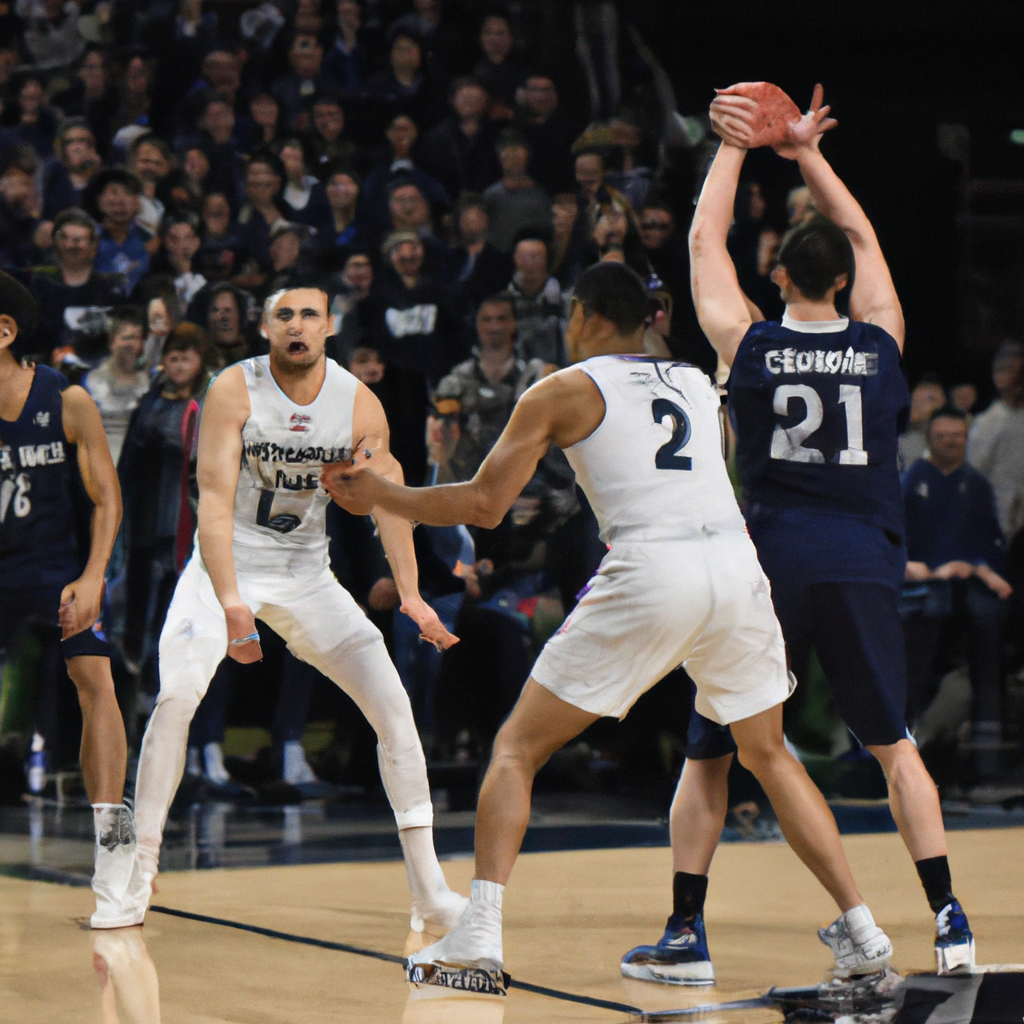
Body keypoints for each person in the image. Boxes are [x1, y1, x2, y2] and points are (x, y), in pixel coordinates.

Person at [323, 261, 893, 989]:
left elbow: (484, 506)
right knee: (770, 756)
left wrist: (381, 495)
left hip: (655, 568)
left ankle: (480, 935)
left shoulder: (561, 390)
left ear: (586, 314)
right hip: (738, 569)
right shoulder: (690, 378)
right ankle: (863, 932)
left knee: (516, 749)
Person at [637, 84, 974, 982]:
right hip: (864, 559)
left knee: (714, 745)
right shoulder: (882, 342)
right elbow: (863, 239)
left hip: (769, 563)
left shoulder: (745, 341)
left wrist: (738, 146)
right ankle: (949, 919)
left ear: (780, 275)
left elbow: (705, 243)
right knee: (895, 746)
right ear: (844, 280)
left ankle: (685, 932)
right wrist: (808, 154)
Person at [113, 284, 467, 942]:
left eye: (309, 314)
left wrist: (411, 592)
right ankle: (139, 874)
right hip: (226, 565)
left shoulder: (358, 401)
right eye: (284, 315)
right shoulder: (232, 389)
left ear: (329, 326)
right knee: (178, 695)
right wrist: (230, 603)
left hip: (308, 573)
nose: (297, 325)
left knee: (393, 708)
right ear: (265, 327)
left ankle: (430, 891)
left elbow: (388, 500)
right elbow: (213, 505)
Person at [0, 271, 132, 928]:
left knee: (95, 676)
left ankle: (113, 846)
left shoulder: (66, 400)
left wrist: (93, 574)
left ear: (5, 332)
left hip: (55, 571)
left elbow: (108, 500)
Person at [902, 407, 1011, 778]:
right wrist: (916, 568)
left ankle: (986, 761)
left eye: (958, 436)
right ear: (930, 439)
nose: (952, 442)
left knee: (989, 622)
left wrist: (976, 566)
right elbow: (896, 543)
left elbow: (993, 546)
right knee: (924, 631)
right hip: (919, 589)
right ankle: (911, 748)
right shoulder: (911, 481)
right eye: (944, 435)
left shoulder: (976, 485)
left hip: (970, 587)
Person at [967, 341, 1024, 542]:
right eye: (1006, 371)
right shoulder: (987, 422)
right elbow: (975, 476)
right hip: (999, 527)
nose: (1015, 379)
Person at [83, 305, 150, 464]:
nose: (131, 345)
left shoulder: (150, 382)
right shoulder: (90, 382)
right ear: (111, 342)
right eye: (126, 338)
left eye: (137, 338)